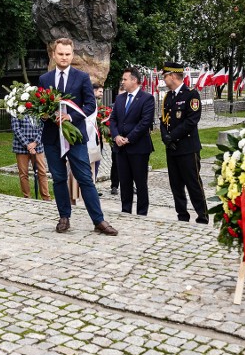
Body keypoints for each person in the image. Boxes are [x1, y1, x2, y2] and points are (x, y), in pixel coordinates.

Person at [38, 38, 117, 235]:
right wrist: (44, 113)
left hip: (75, 137)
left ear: (72, 55)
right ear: (54, 55)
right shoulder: (44, 79)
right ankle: (64, 217)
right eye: (60, 54)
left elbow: (90, 105)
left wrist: (70, 117)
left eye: (67, 54)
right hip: (52, 138)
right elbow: (40, 105)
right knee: (58, 178)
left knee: (85, 179)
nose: (64, 57)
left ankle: (98, 220)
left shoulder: (82, 77)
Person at [160, 61, 209, 224]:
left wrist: (171, 136)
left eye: (165, 77)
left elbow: (191, 121)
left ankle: (202, 215)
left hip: (188, 148)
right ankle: (182, 215)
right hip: (172, 148)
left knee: (193, 182)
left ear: (173, 76)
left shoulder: (191, 95)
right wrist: (165, 137)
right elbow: (163, 119)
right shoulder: (168, 97)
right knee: (176, 184)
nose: (164, 80)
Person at [108, 67, 155, 216]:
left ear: (134, 80)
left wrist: (128, 139)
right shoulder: (120, 98)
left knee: (140, 183)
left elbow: (145, 122)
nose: (122, 82)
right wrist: (116, 136)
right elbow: (113, 119)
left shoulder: (146, 98)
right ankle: (125, 210)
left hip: (138, 148)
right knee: (125, 182)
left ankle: (142, 213)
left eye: (125, 79)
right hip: (120, 148)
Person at [11, 116, 51, 200]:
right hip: (21, 147)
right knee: (23, 173)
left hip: (38, 146)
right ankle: (27, 197)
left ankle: (46, 197)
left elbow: (43, 126)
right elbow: (16, 129)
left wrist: (35, 143)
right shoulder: (16, 110)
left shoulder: (37, 109)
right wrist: (28, 145)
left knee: (42, 172)